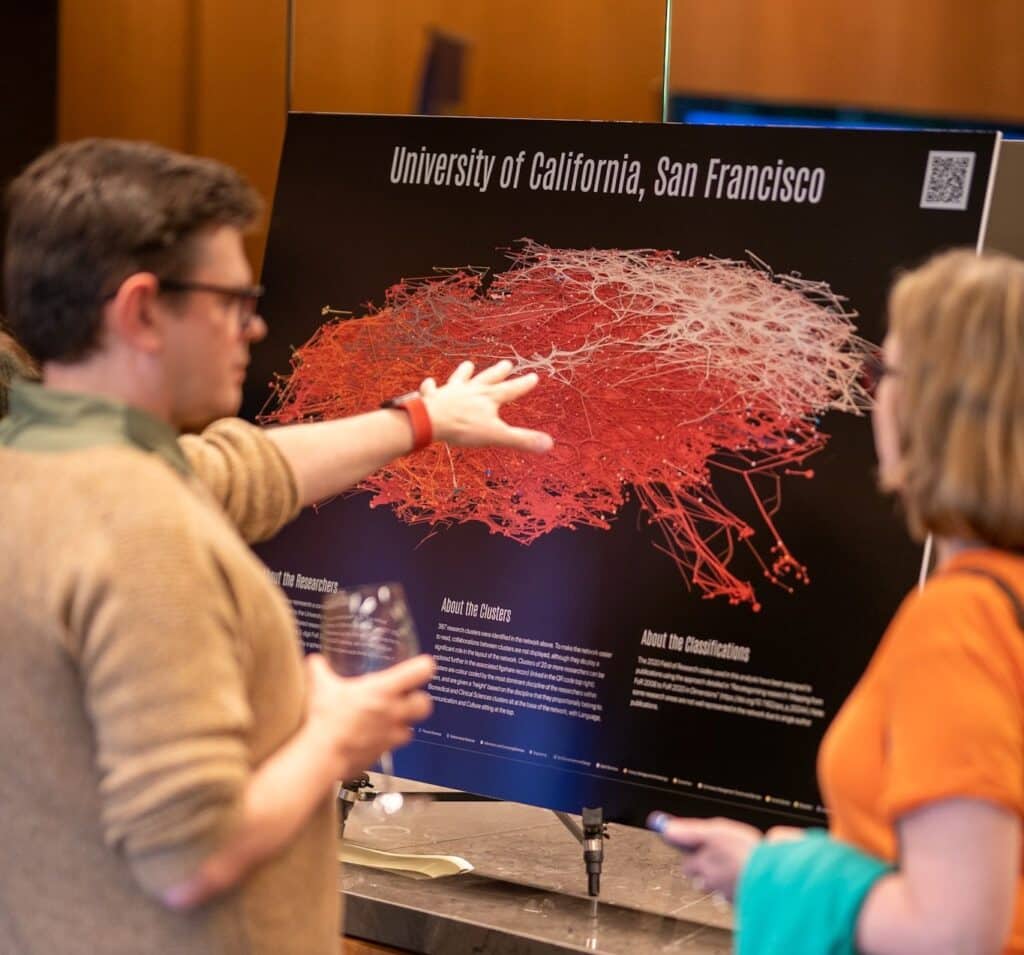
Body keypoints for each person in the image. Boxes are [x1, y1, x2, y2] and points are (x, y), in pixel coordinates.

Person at [0, 138, 553, 955]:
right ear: (141, 310)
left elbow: (236, 471)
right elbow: (190, 853)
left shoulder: (38, 466)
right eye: (231, 300)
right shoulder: (141, 530)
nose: (253, 325)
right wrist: (333, 733)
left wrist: (421, 419)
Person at [651, 249, 1024, 954]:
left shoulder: (963, 619)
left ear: (938, 409)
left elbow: (956, 932)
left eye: (886, 375)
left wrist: (768, 873)